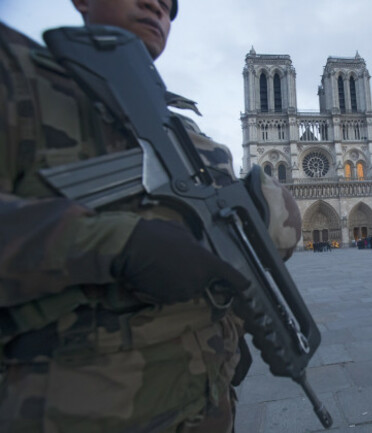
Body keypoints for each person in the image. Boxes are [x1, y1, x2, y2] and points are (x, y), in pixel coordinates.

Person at [0, 2, 301, 432]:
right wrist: (115, 245)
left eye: (170, 2)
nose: (158, 5)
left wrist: (229, 328)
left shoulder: (191, 135)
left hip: (206, 408)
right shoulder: (15, 75)